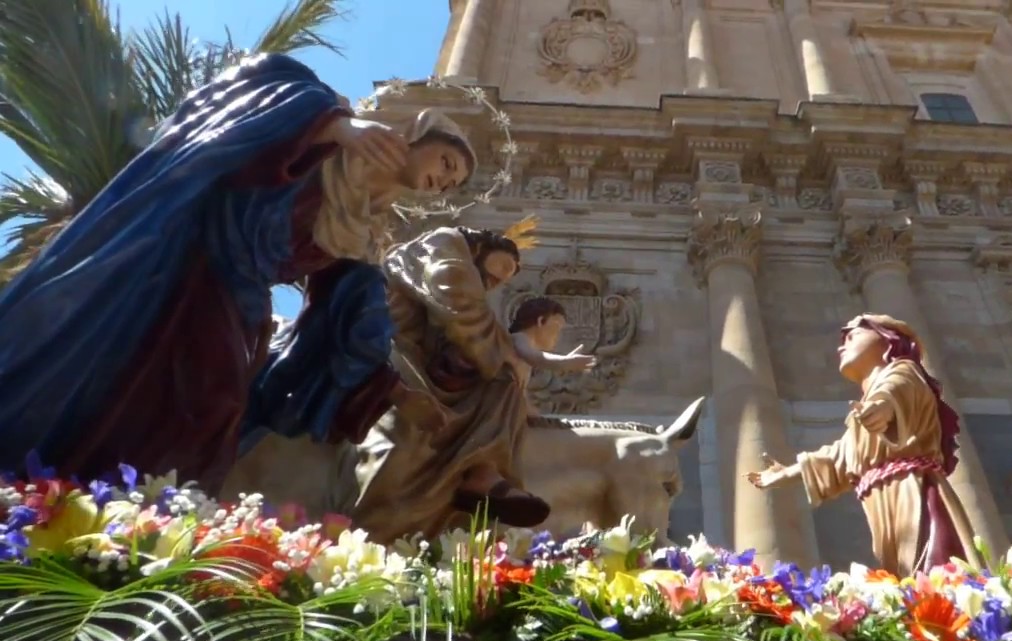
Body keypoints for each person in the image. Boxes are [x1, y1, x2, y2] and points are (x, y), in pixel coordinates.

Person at [0, 53, 475, 494]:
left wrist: (394, 390)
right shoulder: (327, 128)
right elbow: (259, 91)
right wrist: (338, 127)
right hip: (171, 265)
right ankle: (60, 502)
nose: (443, 182)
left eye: (451, 185)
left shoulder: (365, 235)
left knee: (211, 412)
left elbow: (355, 313)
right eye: (446, 162)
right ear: (417, 134)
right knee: (136, 379)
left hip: (234, 305)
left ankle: (112, 521)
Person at [746, 314, 980, 578]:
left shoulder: (903, 371)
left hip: (913, 492)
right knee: (902, 575)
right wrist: (786, 473)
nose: (840, 346)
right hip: (884, 498)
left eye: (852, 336)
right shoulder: (863, 411)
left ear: (888, 342)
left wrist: (882, 408)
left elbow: (896, 391)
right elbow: (841, 455)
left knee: (932, 569)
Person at [507, 296, 598, 416]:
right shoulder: (518, 338)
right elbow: (534, 357)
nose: (558, 335)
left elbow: (520, 401)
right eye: (557, 327)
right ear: (541, 321)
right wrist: (565, 362)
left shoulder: (524, 357)